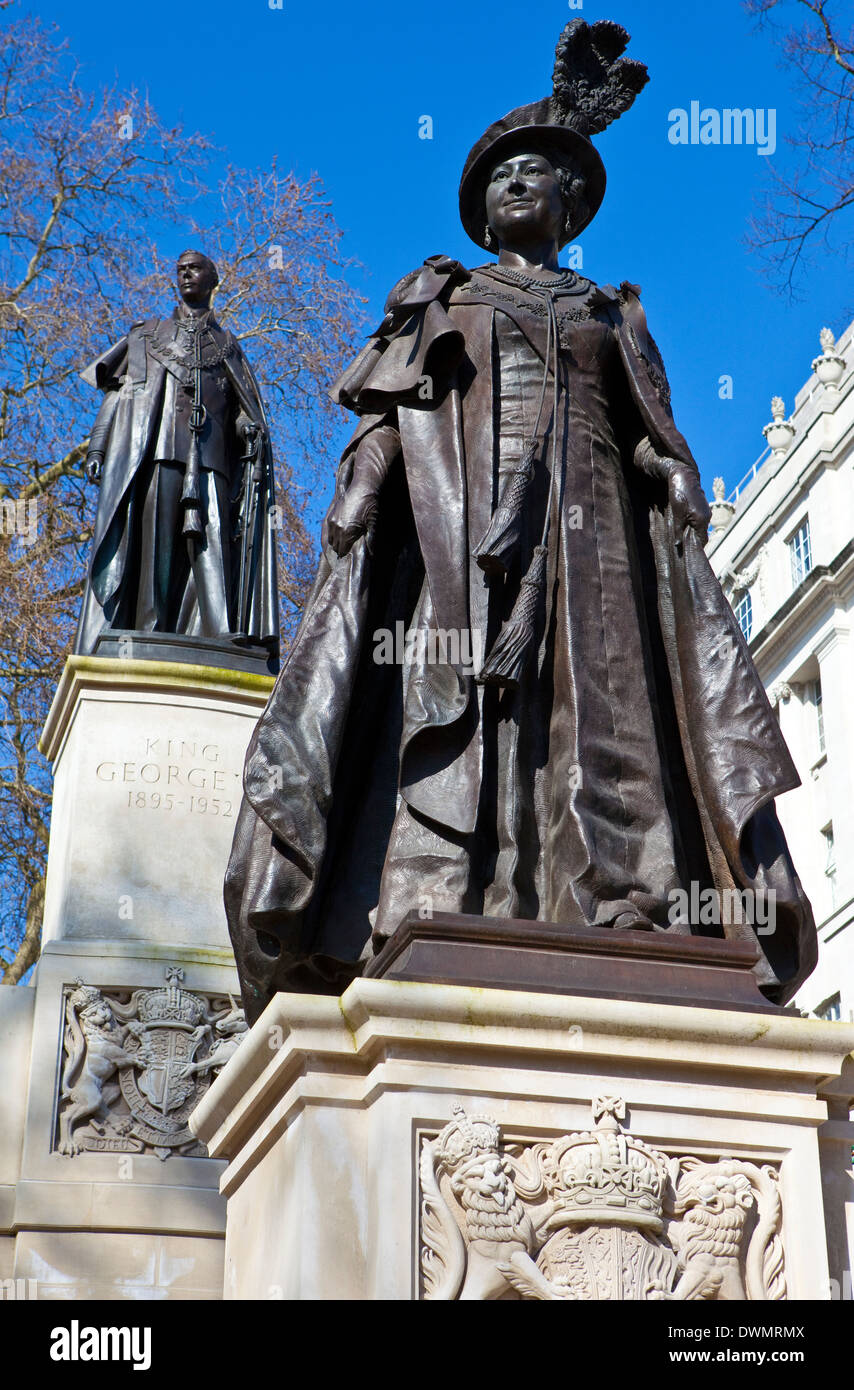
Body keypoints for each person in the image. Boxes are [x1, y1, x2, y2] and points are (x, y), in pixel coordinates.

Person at [225, 20, 816, 1022]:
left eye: (535, 173)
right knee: (463, 707)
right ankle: (436, 895)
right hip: (459, 530)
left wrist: (669, 474)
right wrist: (360, 486)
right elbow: (390, 406)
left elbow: (646, 426)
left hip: (597, 542)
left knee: (606, 710)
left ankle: (627, 900)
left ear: (569, 201)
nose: (515, 186)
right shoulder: (440, 296)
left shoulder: (607, 312)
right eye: (500, 175)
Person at [75, 250, 278, 655]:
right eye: (180, 268)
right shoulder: (147, 335)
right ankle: (149, 628)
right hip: (161, 453)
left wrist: (247, 427)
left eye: (195, 267)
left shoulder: (229, 346)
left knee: (215, 542)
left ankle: (221, 631)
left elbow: (241, 409)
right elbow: (118, 396)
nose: (186, 272)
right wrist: (98, 446)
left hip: (213, 461)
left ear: (213, 279)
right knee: (157, 545)